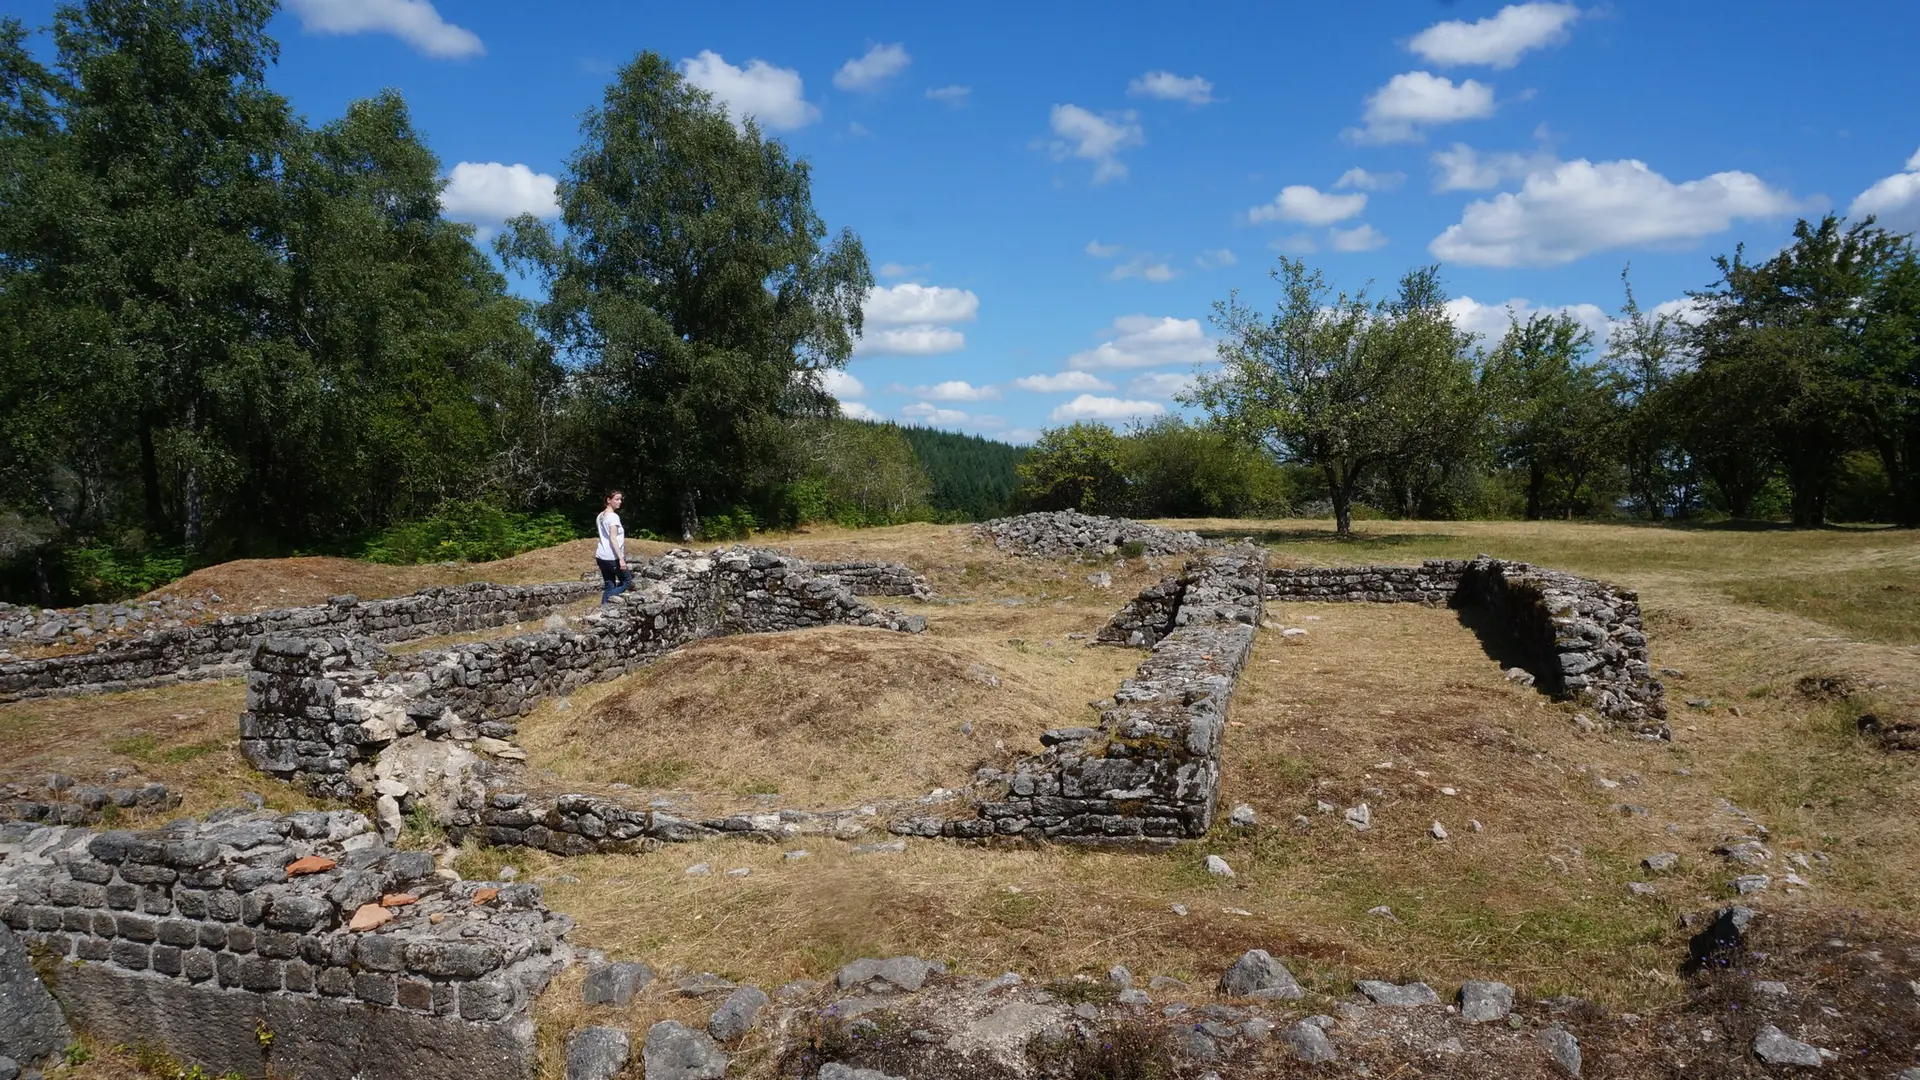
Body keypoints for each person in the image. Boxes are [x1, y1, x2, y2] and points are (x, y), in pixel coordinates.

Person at [595, 490, 632, 603]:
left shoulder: (600, 516)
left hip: (601, 555)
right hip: (612, 557)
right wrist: (621, 559)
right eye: (617, 499)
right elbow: (613, 538)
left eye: (620, 499)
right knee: (627, 581)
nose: (620, 502)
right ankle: (607, 600)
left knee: (609, 584)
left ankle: (605, 609)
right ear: (608, 500)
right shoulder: (613, 517)